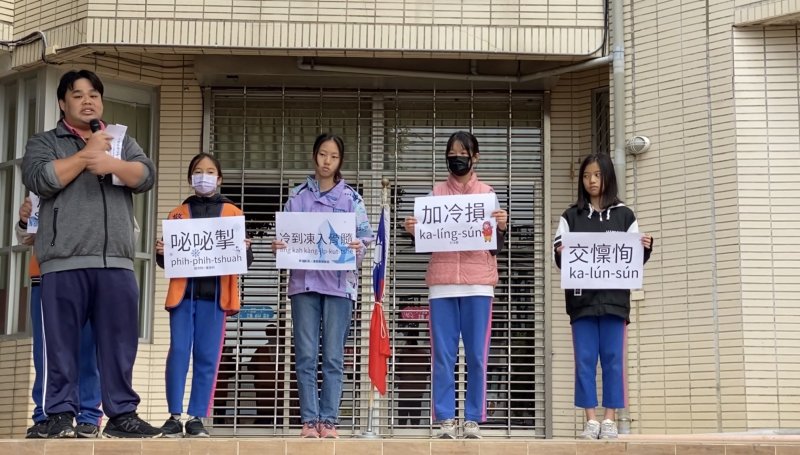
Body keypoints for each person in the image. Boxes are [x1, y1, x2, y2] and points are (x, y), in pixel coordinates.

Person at [21, 69, 161, 438]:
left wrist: (112, 164)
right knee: (61, 346)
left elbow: (146, 175)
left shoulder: (120, 140)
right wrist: (86, 155)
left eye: (94, 95)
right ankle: (59, 416)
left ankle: (121, 415)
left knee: (119, 344)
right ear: (62, 102)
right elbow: (41, 179)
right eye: (78, 95)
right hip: (64, 260)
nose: (88, 101)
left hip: (116, 261)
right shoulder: (44, 142)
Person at [403, 131, 508, 440]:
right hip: (442, 284)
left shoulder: (487, 194)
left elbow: (494, 244)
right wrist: (413, 230)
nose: (457, 158)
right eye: (452, 153)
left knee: (477, 355)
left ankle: (473, 418)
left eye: (463, 153)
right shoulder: (435, 195)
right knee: (443, 356)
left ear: (475, 157)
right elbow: (425, 241)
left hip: (478, 285)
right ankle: (445, 418)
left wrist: (501, 226)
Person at [271, 133, 373, 438]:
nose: (327, 161)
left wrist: (358, 247)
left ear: (340, 161)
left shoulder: (352, 199)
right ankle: (308, 421)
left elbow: (365, 239)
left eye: (334, 156)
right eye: (323, 154)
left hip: (339, 286)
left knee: (333, 356)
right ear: (314, 155)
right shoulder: (297, 196)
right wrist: (278, 247)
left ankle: (328, 421)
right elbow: (286, 238)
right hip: (303, 284)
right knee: (305, 354)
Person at [553, 152, 653, 440]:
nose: (591, 181)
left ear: (608, 177)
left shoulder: (625, 215)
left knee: (613, 359)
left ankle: (610, 418)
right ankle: (591, 420)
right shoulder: (570, 216)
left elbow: (633, 259)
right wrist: (561, 253)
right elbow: (559, 257)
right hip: (581, 302)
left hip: (615, 302)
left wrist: (645, 247)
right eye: (586, 176)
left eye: (597, 175)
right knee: (584, 360)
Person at [155, 152, 254, 437]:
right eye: (198, 171)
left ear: (219, 179)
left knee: (207, 356)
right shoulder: (178, 213)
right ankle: (174, 415)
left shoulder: (233, 213)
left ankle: (197, 417)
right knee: (179, 352)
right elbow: (167, 261)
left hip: (215, 297)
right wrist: (161, 252)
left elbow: (245, 261)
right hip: (183, 295)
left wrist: (246, 249)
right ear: (190, 178)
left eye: (210, 172)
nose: (204, 176)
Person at [16, 197, 104, 439]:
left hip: (90, 275)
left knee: (88, 350)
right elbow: (26, 236)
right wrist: (24, 222)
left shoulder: (103, 187)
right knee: (46, 353)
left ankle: (88, 415)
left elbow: (128, 231)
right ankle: (46, 415)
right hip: (45, 276)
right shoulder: (44, 187)